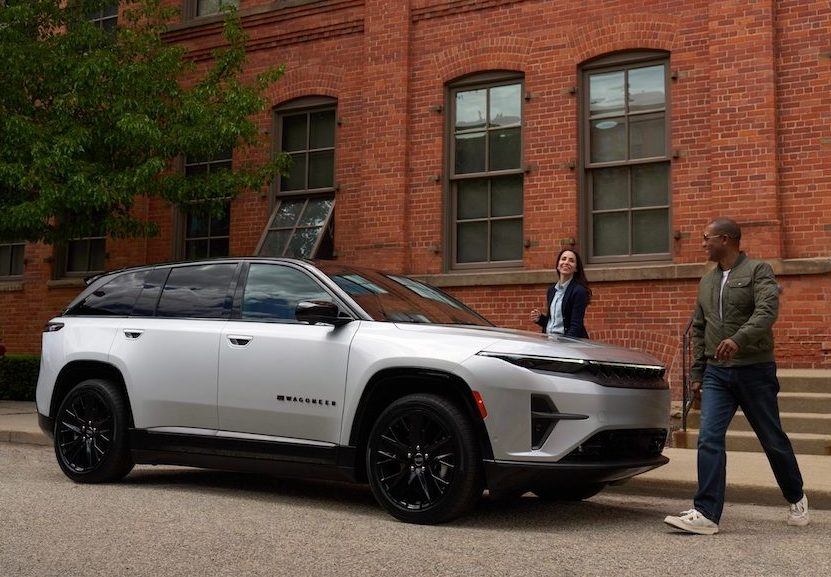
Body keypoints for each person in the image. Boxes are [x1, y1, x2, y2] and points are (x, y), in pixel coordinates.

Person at [664, 217, 809, 535]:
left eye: (707, 237)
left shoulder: (758, 271)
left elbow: (766, 311)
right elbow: (700, 328)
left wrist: (738, 339)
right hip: (717, 373)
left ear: (726, 239)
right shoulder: (706, 281)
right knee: (709, 438)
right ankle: (706, 513)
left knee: (772, 439)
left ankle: (796, 496)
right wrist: (698, 373)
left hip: (755, 370)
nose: (703, 243)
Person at [531, 248, 591, 338]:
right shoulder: (551, 290)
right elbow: (554, 323)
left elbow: (576, 326)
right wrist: (540, 319)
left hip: (568, 345)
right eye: (563, 259)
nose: (566, 262)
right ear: (558, 265)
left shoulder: (579, 291)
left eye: (571, 261)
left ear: (576, 268)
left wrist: (566, 346)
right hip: (550, 342)